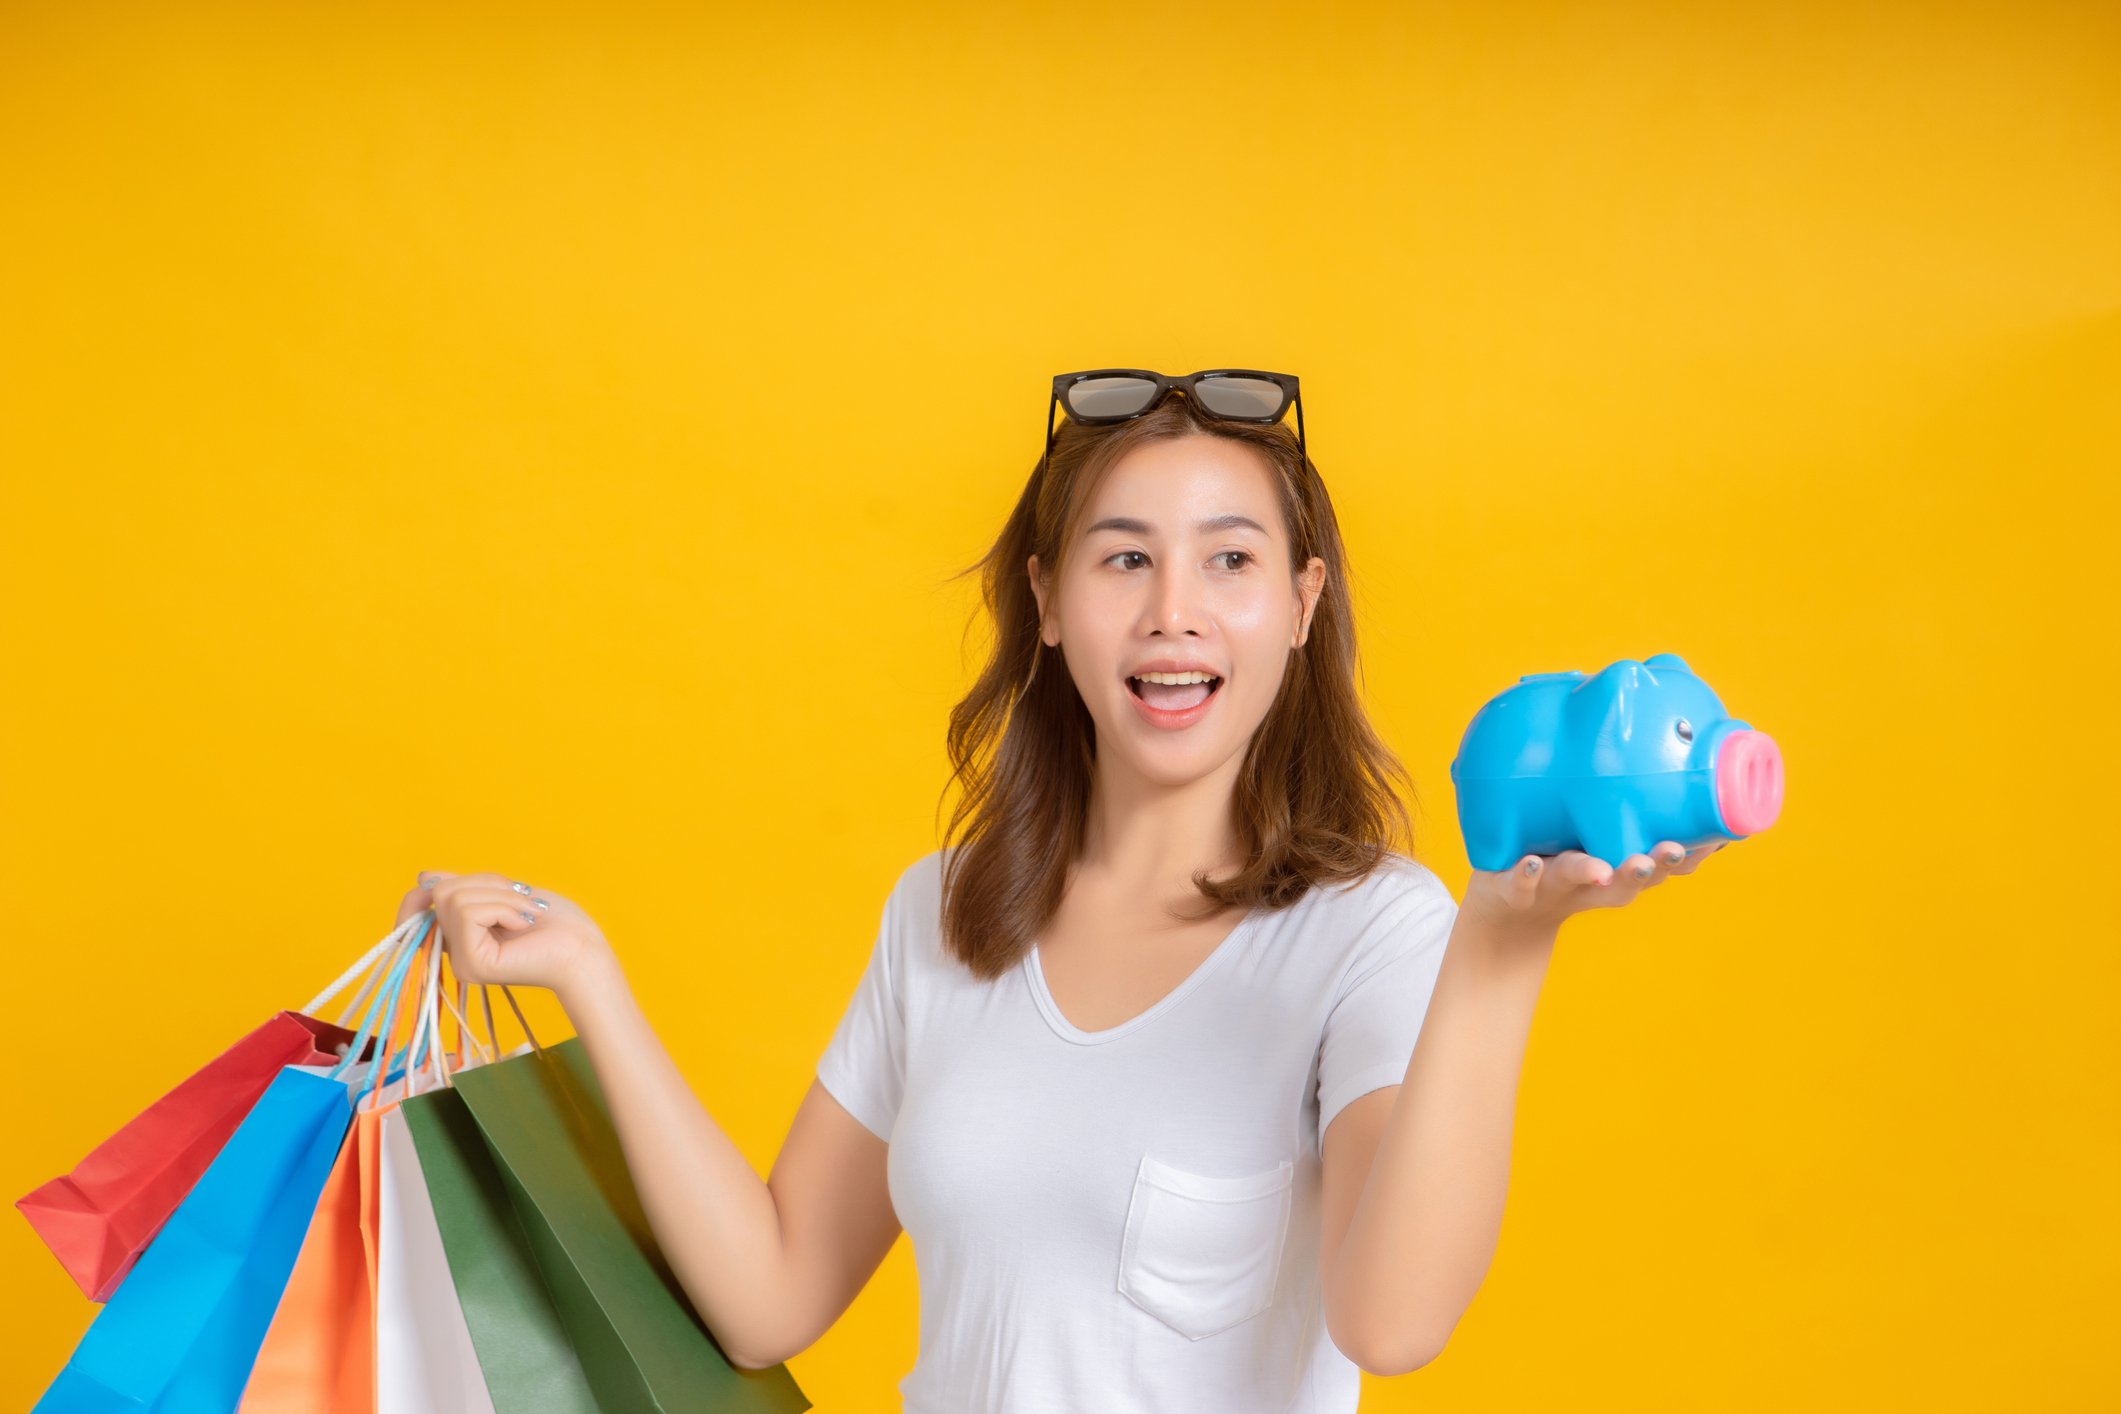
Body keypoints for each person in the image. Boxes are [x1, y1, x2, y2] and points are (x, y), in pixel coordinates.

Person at [409, 368, 1723, 1412]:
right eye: (1121, 558)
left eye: (1228, 560)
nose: (1173, 613)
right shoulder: (940, 915)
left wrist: (1501, 946)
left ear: (1301, 601)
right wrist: (592, 977)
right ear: (1044, 600)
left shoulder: (1371, 930)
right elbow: (769, 1292)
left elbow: (1390, 1319)